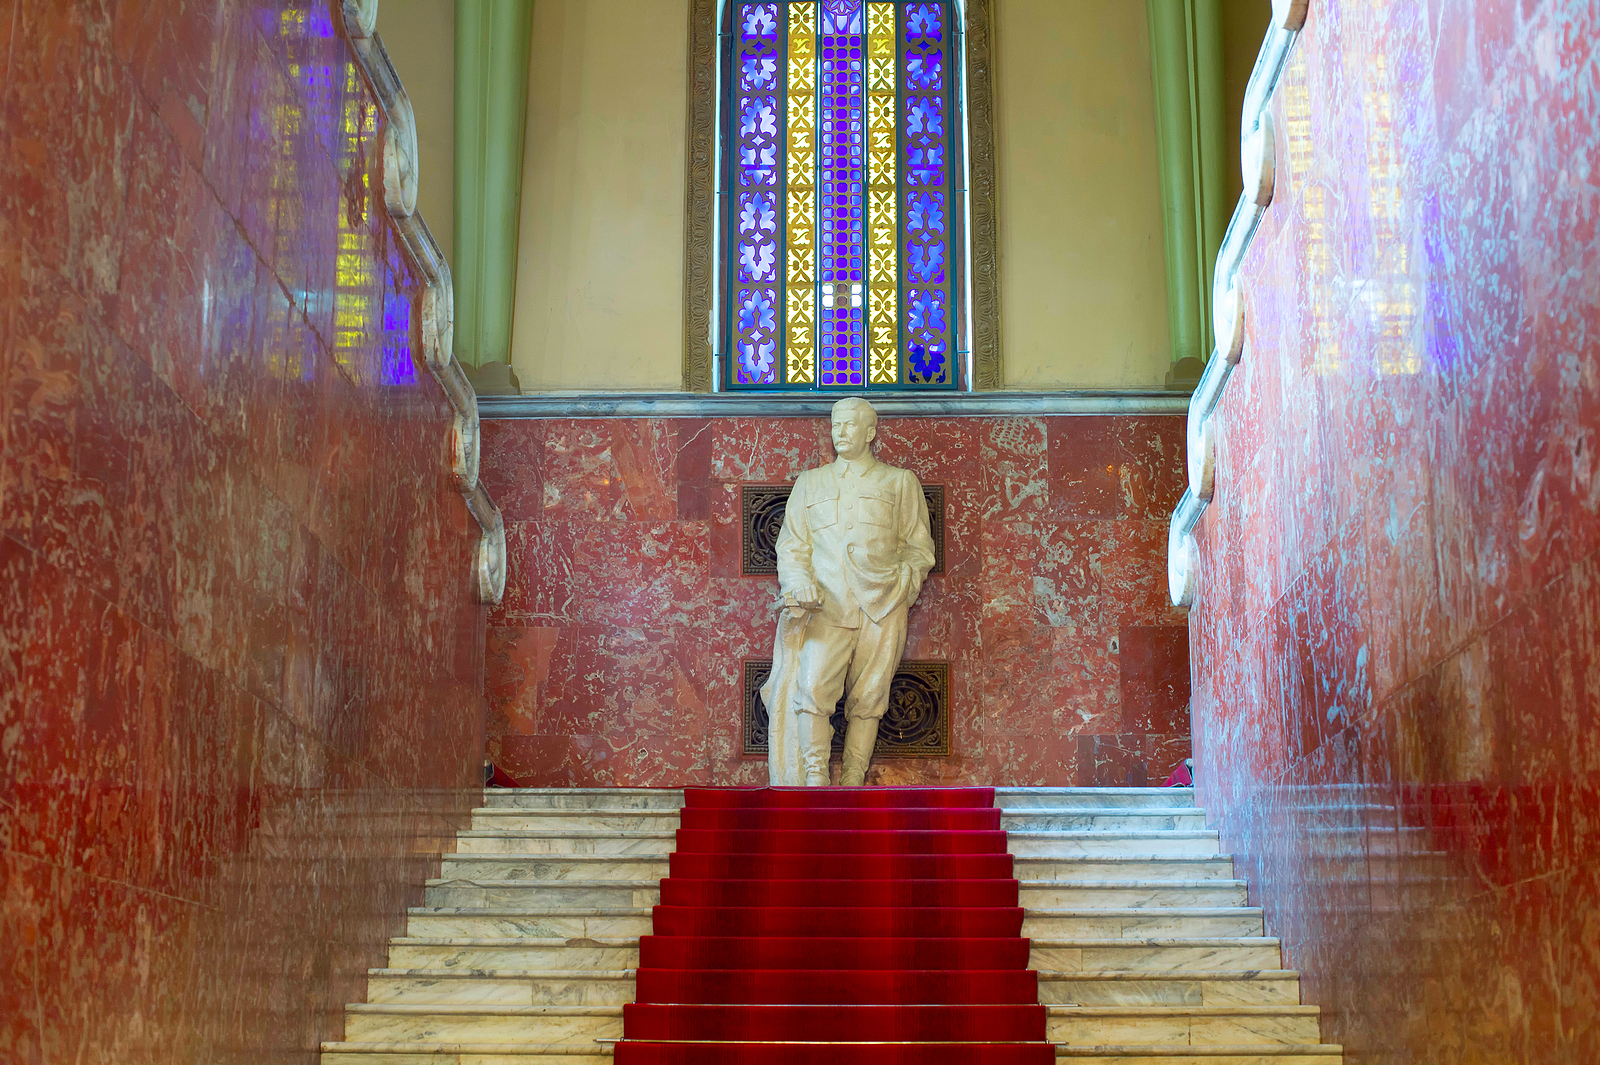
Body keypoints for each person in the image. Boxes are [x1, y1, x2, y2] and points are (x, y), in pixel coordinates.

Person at [760, 398, 936, 786]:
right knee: (812, 688)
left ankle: (854, 777)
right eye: (836, 425)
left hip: (883, 604)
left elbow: (918, 548)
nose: (840, 432)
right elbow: (791, 546)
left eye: (849, 426)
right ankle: (813, 776)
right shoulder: (810, 483)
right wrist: (797, 582)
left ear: (870, 433)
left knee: (870, 697)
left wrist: (903, 585)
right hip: (826, 606)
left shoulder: (899, 481)